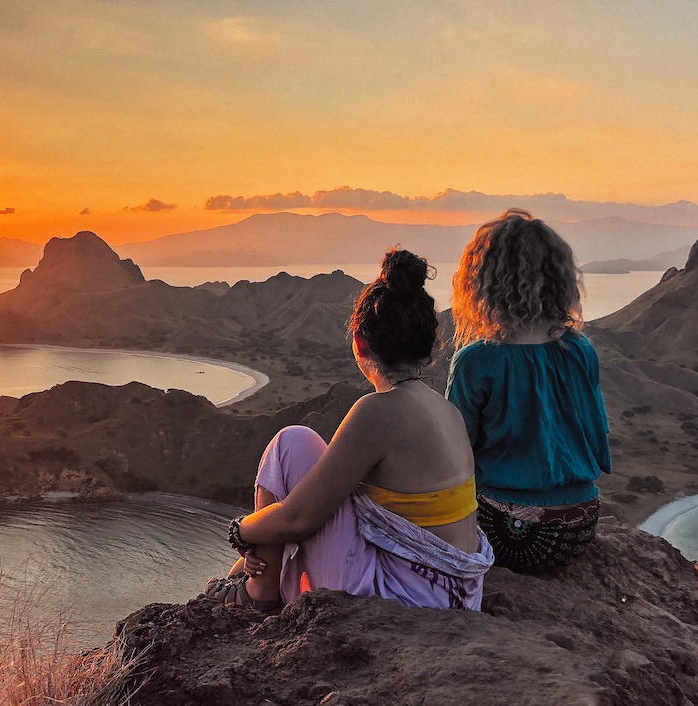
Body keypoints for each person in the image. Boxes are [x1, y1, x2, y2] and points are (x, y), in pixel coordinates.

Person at [200, 249, 494, 612]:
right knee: (309, 480)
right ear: (428, 349)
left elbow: (298, 518)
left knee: (291, 443)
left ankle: (261, 592)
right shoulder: (445, 409)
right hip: (455, 593)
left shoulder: (378, 411)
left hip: (409, 599)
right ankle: (258, 576)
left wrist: (241, 530)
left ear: (359, 343)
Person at [446, 209, 612, 573]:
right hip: (579, 522)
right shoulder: (580, 350)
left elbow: (457, 457)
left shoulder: (475, 362)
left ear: (482, 282)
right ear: (559, 278)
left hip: (508, 529)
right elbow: (598, 437)